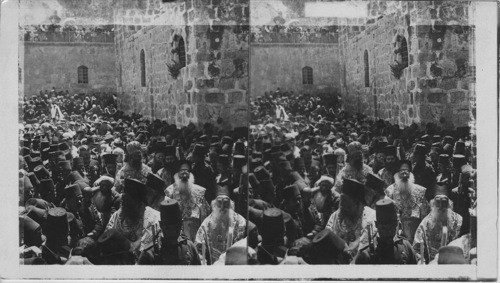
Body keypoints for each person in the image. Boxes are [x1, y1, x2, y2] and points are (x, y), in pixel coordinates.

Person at [105, 178, 161, 257]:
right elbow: (108, 234)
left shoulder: (153, 218)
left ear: (138, 202)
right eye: (123, 203)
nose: (123, 206)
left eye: (128, 203)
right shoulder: (119, 213)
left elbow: (145, 249)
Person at [195, 183, 247, 265]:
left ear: (230, 204)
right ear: (214, 204)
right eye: (219, 203)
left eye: (226, 203)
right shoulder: (206, 224)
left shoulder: (240, 222)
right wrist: (203, 263)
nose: (222, 207)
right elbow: (199, 247)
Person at [138, 199, 201, 265]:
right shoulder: (149, 254)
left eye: (176, 227)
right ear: (161, 225)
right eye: (168, 228)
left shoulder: (189, 247)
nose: (173, 231)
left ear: (181, 224)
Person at [355, 199, 417, 264]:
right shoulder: (365, 255)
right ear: (376, 225)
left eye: (391, 227)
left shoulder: (405, 247)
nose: (388, 232)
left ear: (396, 224)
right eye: (384, 228)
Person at [326, 178, 376, 259]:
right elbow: (328, 234)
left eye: (348, 207)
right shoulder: (335, 216)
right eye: (342, 206)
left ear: (359, 204)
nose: (344, 209)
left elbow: (368, 242)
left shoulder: (371, 217)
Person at [413, 184, 463, 263]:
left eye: (444, 202)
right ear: (433, 204)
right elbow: (417, 247)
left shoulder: (459, 220)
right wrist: (421, 261)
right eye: (438, 202)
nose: (440, 206)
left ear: (449, 204)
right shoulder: (425, 223)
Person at [164, 160, 211, 242]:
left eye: (187, 171)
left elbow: (205, 216)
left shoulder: (199, 192)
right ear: (177, 174)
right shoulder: (169, 192)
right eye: (182, 170)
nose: (184, 173)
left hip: (195, 234)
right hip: (175, 235)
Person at [385, 160, 430, 242]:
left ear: (411, 174)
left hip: (416, 237)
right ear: (397, 174)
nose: (404, 173)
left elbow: (425, 217)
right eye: (401, 170)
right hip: (396, 237)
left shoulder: (420, 191)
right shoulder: (389, 191)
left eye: (407, 171)